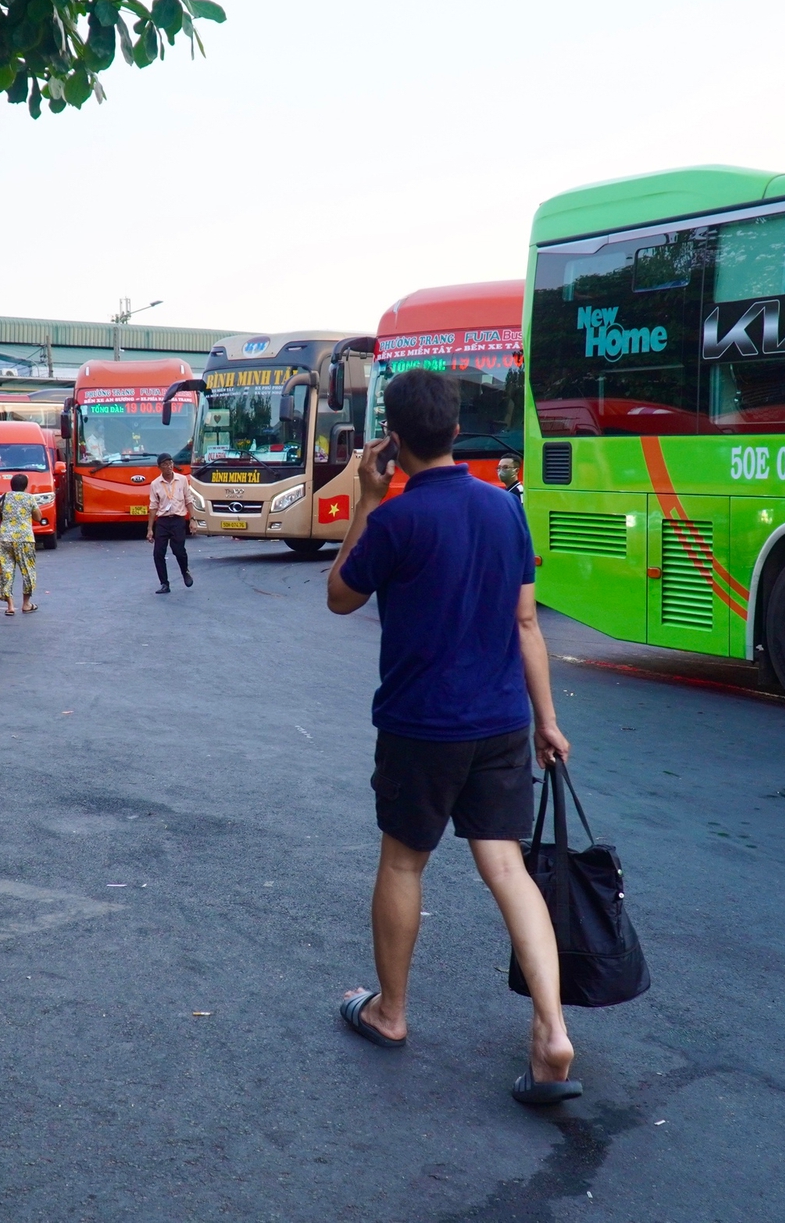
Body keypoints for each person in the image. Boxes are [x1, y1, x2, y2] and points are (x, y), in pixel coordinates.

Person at [325, 368, 579, 1106]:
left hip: (420, 726)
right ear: (457, 428)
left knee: (405, 865)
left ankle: (390, 1013)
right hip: (502, 720)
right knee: (507, 868)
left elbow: (340, 596)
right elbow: (527, 622)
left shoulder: (398, 520)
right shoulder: (505, 509)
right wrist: (548, 722)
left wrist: (367, 502)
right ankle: (553, 1031)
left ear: (393, 440)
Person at [0, 473, 47, 615]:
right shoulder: (29, 498)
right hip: (24, 539)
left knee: (6, 571)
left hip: (4, 538)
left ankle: (10, 606)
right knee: (27, 571)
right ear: (25, 485)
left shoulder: (4, 497)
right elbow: (38, 517)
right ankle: (26, 604)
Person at [147, 452, 192, 594]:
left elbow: (189, 500)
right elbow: (153, 507)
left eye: (170, 463)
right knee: (158, 553)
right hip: (163, 521)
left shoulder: (182, 480)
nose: (169, 467)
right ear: (159, 467)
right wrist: (150, 529)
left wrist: (193, 520)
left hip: (178, 520)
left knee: (179, 550)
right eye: (165, 464)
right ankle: (164, 583)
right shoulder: (155, 484)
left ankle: (185, 571)